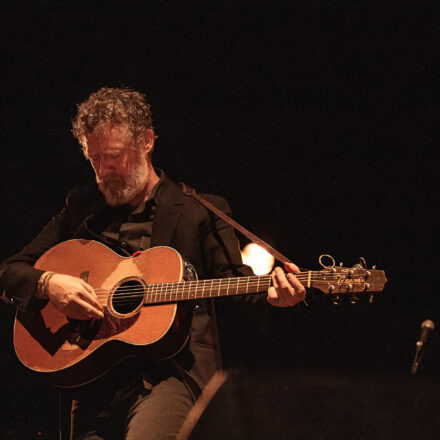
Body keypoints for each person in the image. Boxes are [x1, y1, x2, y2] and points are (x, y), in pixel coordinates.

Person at [0, 87, 306, 439]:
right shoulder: (80, 208)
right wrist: (49, 284)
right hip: (93, 380)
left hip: (170, 374)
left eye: (113, 156)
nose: (103, 170)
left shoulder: (198, 211)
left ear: (146, 141)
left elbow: (235, 284)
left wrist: (276, 296)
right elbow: (10, 272)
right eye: (93, 158)